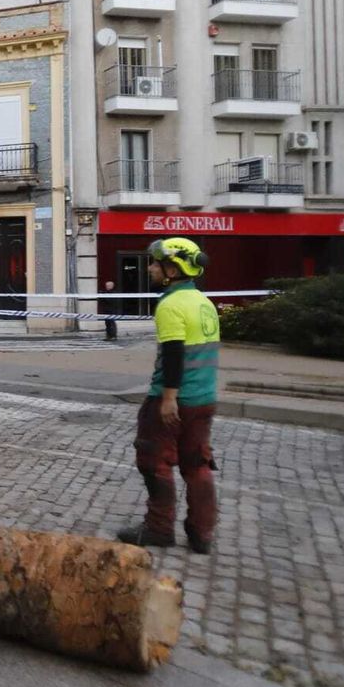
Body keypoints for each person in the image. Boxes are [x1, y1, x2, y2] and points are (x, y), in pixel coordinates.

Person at [117, 237, 219, 554]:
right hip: (204, 398)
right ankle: (201, 534)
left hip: (174, 399)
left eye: (155, 263)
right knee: (197, 464)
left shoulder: (170, 305)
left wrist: (169, 398)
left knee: (153, 459)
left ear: (172, 270)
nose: (150, 268)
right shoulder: (204, 302)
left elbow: (174, 355)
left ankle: (159, 528)